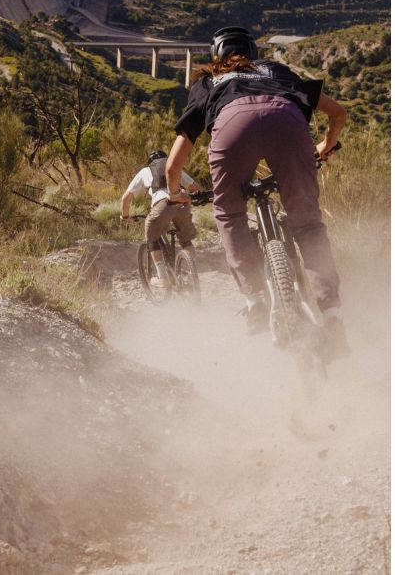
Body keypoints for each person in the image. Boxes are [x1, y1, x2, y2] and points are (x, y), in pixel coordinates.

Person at [164, 26, 348, 361]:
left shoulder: (209, 82)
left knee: (230, 214)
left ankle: (255, 302)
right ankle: (333, 316)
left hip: (233, 128)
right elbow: (338, 113)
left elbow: (175, 161)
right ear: (253, 52)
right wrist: (324, 146)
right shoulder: (276, 70)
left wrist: (175, 192)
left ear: (216, 55)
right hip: (287, 122)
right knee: (307, 224)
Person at [121, 150, 201, 288]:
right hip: (181, 203)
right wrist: (189, 200)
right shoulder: (173, 167)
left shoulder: (145, 171)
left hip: (163, 204)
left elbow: (126, 198)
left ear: (150, 162)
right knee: (185, 239)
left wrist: (125, 216)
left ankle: (162, 277)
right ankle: (192, 274)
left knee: (151, 236)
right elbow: (195, 188)